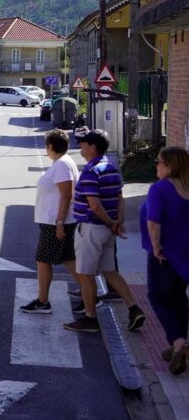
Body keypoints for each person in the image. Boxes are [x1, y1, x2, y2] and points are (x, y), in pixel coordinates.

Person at [63, 130, 145, 333]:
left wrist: (111, 223)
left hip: (91, 228)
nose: (80, 146)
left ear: (93, 147)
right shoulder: (111, 168)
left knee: (85, 274)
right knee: (109, 271)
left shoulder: (91, 171)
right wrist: (117, 222)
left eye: (83, 144)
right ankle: (134, 308)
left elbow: (95, 205)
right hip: (107, 230)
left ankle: (90, 318)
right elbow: (119, 198)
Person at [20, 129, 81, 313]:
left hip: (56, 222)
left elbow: (66, 195)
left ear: (51, 146)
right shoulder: (62, 162)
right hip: (57, 221)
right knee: (68, 258)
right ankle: (89, 294)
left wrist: (60, 222)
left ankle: (43, 301)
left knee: (43, 260)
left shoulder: (61, 164)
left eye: (46, 146)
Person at [141, 147, 189, 374]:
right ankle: (178, 345)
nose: (156, 165)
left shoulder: (159, 189)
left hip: (165, 254)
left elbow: (154, 221)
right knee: (178, 298)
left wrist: (157, 246)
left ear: (170, 166)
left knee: (158, 297)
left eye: (159, 162)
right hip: (185, 256)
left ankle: (179, 342)